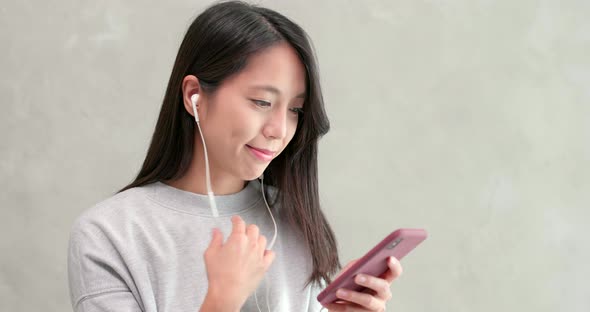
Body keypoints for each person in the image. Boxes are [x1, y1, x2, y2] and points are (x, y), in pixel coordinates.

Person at [67, 1, 402, 311]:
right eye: (261, 102)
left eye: (295, 109)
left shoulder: (295, 218)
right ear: (194, 96)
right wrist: (221, 299)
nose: (279, 129)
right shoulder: (109, 233)